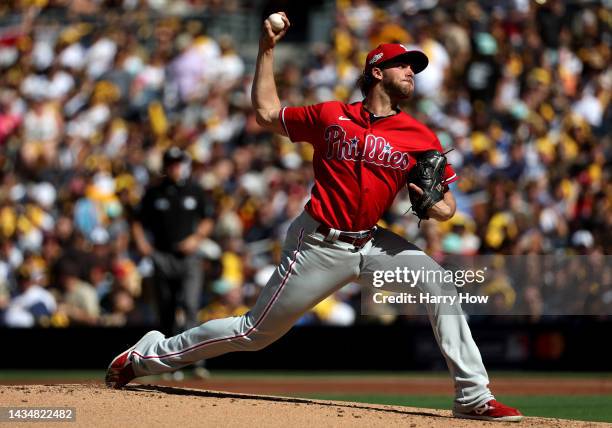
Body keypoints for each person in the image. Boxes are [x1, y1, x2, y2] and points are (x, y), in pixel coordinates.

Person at [106, 13, 522, 422]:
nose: (411, 71)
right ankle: (147, 356)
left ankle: (473, 396)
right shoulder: (330, 116)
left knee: (439, 283)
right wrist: (267, 49)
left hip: (373, 243)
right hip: (319, 243)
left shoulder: (419, 136)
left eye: (414, 67)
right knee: (254, 333)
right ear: (377, 72)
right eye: (403, 64)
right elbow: (267, 114)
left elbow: (446, 207)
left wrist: (434, 204)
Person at [132, 147, 213, 335]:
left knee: (191, 304)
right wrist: (142, 244)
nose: (175, 169)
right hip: (162, 254)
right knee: (165, 307)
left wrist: (196, 238)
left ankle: (194, 357)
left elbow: (208, 218)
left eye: (178, 165)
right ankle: (168, 357)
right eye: (171, 165)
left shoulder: (194, 190)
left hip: (189, 256)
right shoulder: (154, 192)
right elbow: (137, 220)